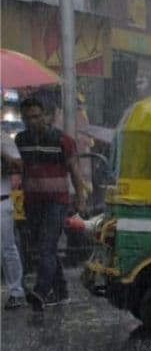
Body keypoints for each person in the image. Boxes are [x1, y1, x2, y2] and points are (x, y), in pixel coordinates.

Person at [14, 96, 87, 310]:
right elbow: (18, 168)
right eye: (27, 118)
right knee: (45, 248)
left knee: (46, 247)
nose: (32, 121)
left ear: (46, 116)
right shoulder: (20, 140)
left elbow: (75, 171)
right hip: (32, 202)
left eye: (36, 116)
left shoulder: (62, 140)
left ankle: (41, 291)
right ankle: (61, 291)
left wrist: (80, 199)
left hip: (57, 203)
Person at [1, 134, 26, 309]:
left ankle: (16, 292)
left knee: (7, 248)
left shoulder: (2, 138)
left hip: (1, 201)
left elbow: (19, 166)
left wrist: (2, 154)